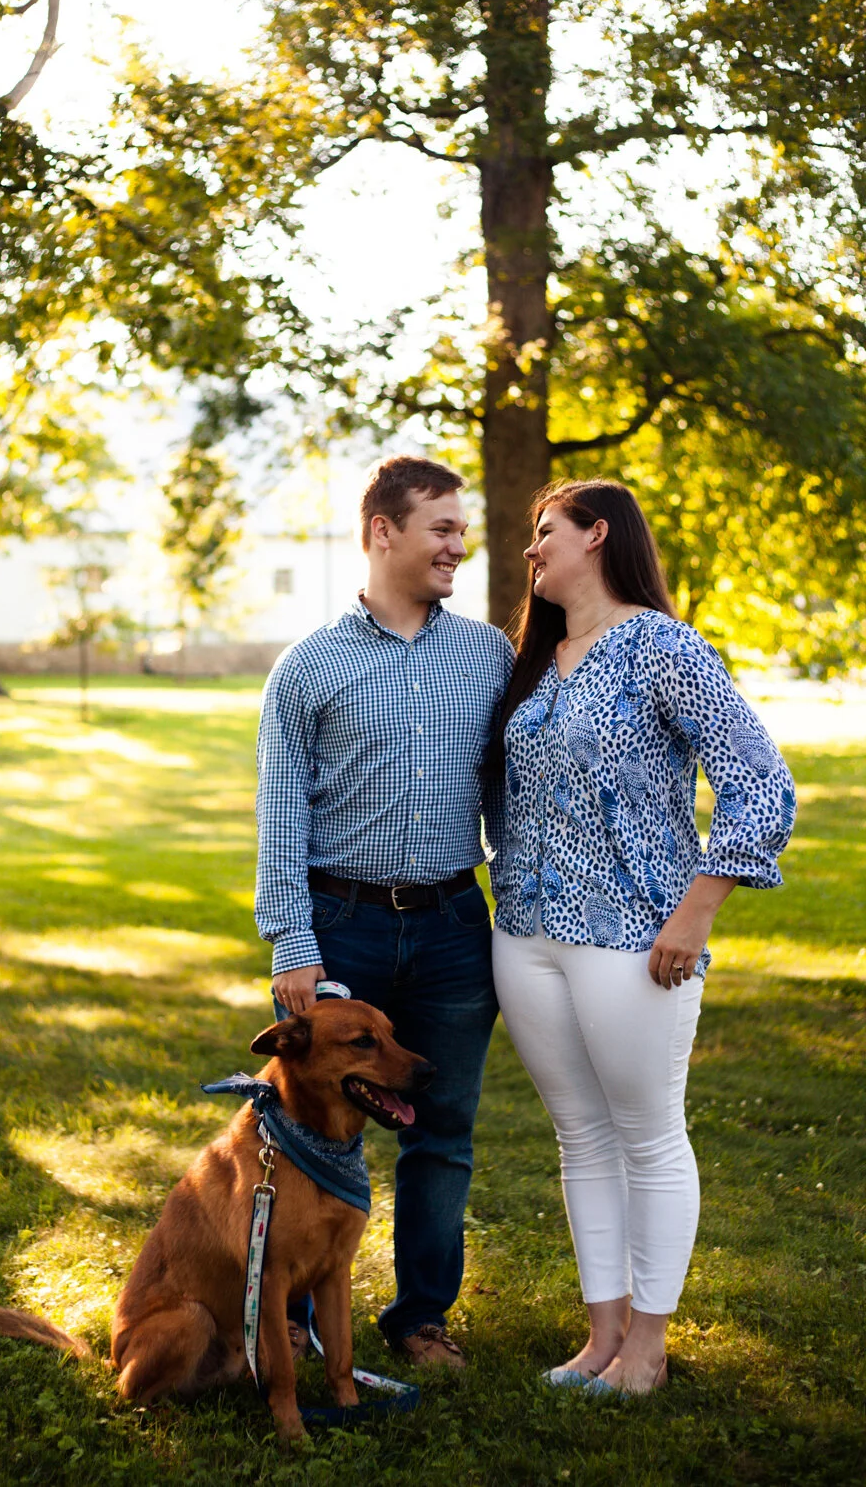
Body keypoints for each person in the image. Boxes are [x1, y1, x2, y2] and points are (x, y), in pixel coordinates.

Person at [488, 478, 796, 1394]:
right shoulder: (538, 660)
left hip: (635, 936)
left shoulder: (662, 647)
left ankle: (649, 1352)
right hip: (528, 934)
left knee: (650, 1138)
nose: (532, 548)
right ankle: (602, 1339)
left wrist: (696, 910)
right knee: (580, 1137)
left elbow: (761, 781)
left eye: (547, 532)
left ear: (599, 535)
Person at [255, 455, 514, 1367]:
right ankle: (290, 1315)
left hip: (451, 928)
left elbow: (513, 800)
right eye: (441, 527)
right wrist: (293, 940)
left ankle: (418, 1320)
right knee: (302, 1125)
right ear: (382, 532)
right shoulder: (307, 668)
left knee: (440, 1127)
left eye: (460, 529)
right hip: (342, 923)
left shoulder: (489, 656)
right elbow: (281, 811)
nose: (458, 545)